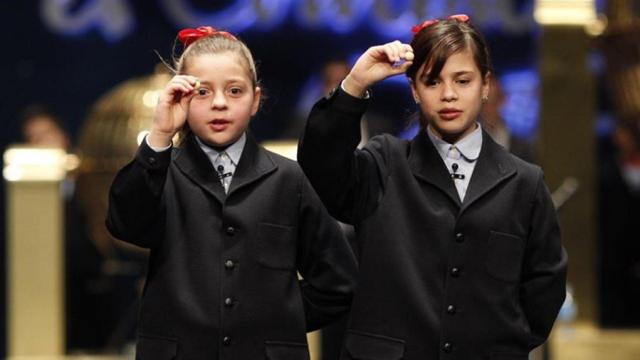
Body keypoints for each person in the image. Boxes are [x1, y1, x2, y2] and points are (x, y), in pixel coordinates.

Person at [298, 15, 567, 359]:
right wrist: (354, 84)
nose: (449, 94)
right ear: (414, 89)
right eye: (432, 81)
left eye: (463, 80)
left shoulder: (524, 182)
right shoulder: (385, 162)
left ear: (486, 85)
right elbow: (320, 167)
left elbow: (544, 287)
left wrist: (500, 344)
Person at [106, 26, 357, 359]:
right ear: (181, 97)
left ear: (256, 100)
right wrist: (159, 135)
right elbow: (125, 225)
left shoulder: (288, 178)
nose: (220, 104)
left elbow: (338, 282)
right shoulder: (159, 171)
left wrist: (279, 319)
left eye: (235, 91)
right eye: (202, 92)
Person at [480, 76, 535, 163]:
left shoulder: (521, 148)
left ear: (502, 101)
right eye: (484, 103)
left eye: (493, 101)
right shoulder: (465, 145)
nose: (488, 109)